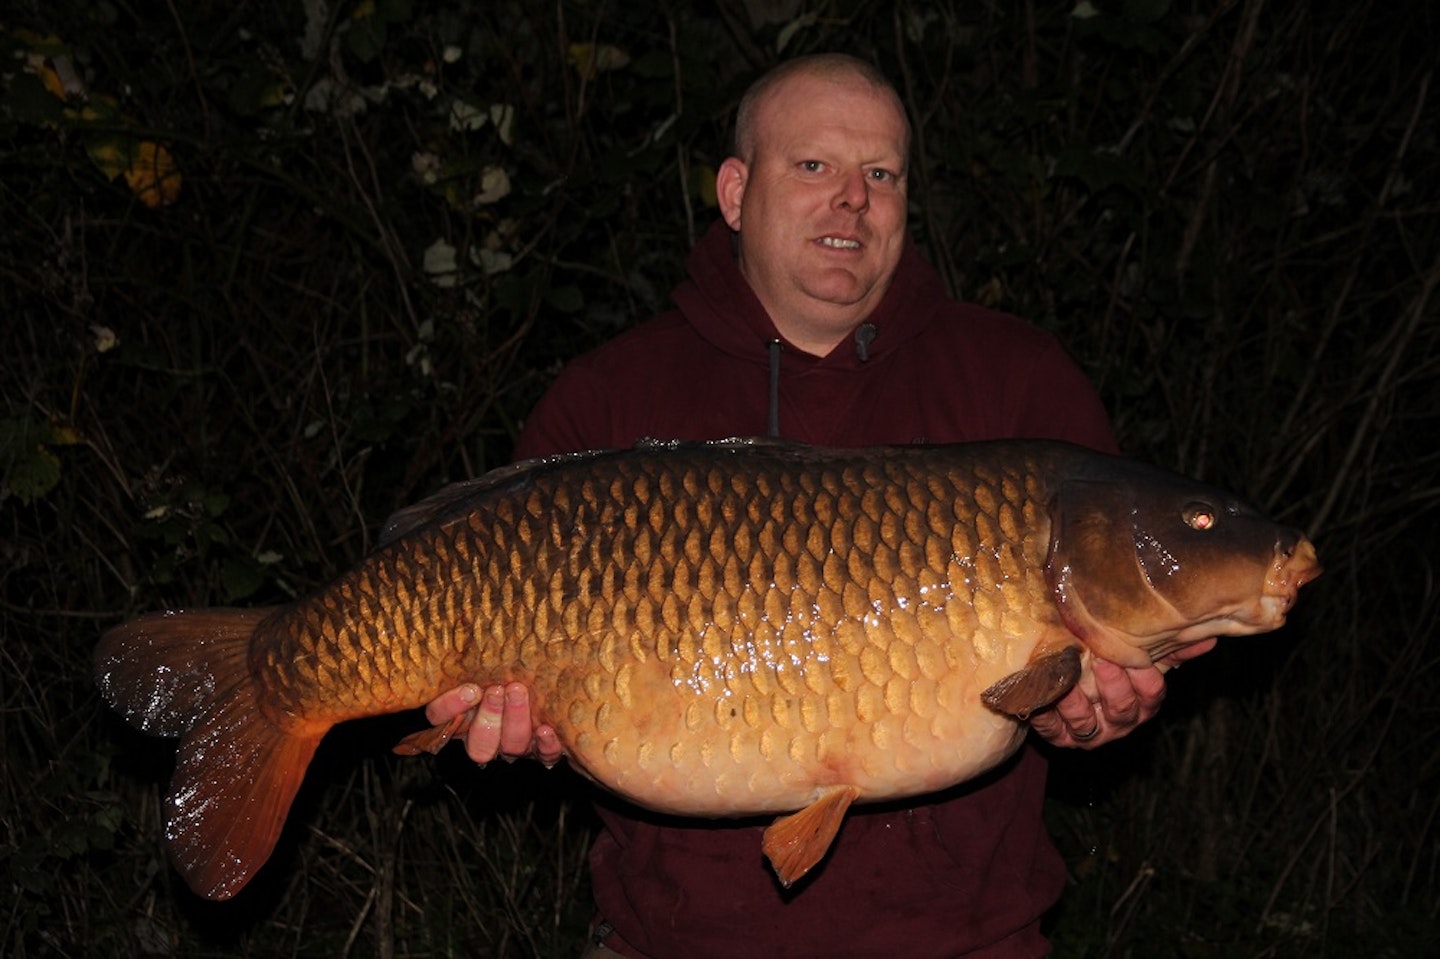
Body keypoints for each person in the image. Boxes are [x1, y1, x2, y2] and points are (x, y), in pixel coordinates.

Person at [421, 54, 1215, 958]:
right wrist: (524, 729)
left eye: (881, 173)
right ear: (733, 190)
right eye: (815, 167)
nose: (853, 200)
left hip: (966, 942)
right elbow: (526, 697)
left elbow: (1093, 673)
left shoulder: (1019, 384)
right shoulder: (609, 400)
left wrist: (1100, 711)